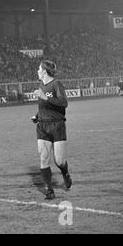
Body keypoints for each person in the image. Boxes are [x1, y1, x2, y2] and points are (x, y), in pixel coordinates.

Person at [31, 60, 72, 200]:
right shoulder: (41, 85)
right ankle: (49, 190)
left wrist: (45, 98)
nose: (37, 71)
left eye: (38, 68)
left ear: (44, 70)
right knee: (43, 158)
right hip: (42, 126)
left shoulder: (56, 84)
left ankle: (65, 172)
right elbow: (43, 106)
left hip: (57, 125)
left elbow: (63, 103)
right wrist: (37, 116)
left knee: (59, 161)